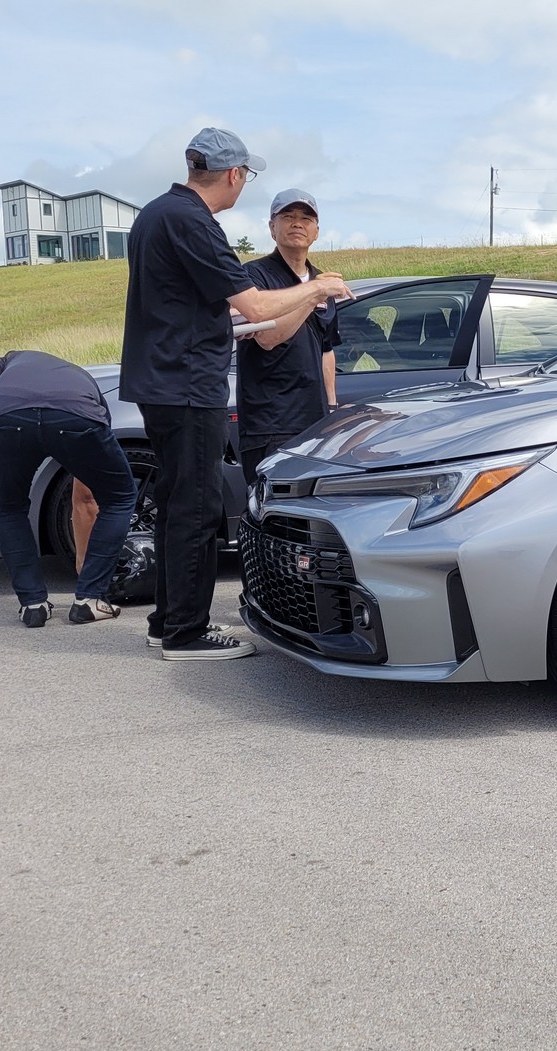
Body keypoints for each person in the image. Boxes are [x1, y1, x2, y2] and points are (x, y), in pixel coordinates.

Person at [119, 127, 351, 660]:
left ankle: (166, 622)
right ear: (233, 175)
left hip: (166, 381)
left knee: (180, 505)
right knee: (198, 510)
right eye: (245, 177)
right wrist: (320, 287)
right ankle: (186, 633)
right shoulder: (193, 221)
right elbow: (256, 311)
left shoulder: (158, 212)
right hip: (186, 384)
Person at [0, 351, 137, 627]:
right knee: (119, 497)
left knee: (8, 507)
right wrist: (86, 572)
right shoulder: (84, 383)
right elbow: (86, 498)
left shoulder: (10, 360)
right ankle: (90, 601)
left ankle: (32, 605)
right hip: (75, 416)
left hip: (5, 419)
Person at [236, 188, 342, 485]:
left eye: (306, 218)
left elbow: (326, 349)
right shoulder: (252, 277)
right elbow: (269, 338)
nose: (298, 223)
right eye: (288, 216)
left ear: (317, 231)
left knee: (310, 514)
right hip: (270, 422)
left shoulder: (322, 280)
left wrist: (331, 410)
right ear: (272, 227)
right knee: (271, 511)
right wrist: (314, 293)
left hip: (315, 422)